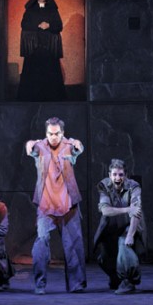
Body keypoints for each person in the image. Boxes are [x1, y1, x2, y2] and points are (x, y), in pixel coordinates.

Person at [25, 117, 86, 294]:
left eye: (57, 134)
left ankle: (76, 285)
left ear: (62, 133)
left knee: (73, 246)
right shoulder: (40, 146)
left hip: (68, 206)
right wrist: (29, 143)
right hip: (46, 207)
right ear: (46, 134)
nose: (53, 137)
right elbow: (31, 149)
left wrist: (78, 144)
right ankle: (40, 284)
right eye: (50, 134)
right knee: (41, 244)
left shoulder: (69, 145)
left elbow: (78, 149)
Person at [93, 159, 144, 295]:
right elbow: (105, 210)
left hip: (128, 226)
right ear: (109, 175)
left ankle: (128, 281)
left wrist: (130, 234)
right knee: (103, 259)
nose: (117, 178)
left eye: (121, 175)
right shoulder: (104, 185)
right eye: (114, 174)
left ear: (125, 175)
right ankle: (115, 277)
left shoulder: (134, 186)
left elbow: (136, 212)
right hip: (111, 228)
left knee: (124, 244)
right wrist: (127, 209)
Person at [16, 0, 66, 101]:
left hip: (49, 47)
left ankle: (52, 97)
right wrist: (37, 25)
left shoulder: (53, 10)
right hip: (34, 47)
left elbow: (59, 26)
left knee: (50, 73)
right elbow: (24, 25)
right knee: (32, 73)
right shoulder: (30, 10)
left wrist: (49, 25)